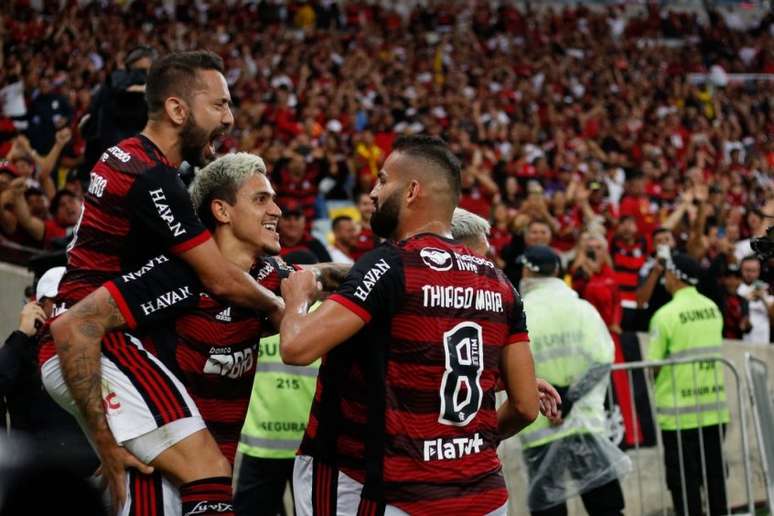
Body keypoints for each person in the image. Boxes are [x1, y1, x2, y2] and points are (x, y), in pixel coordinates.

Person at [42, 50, 284, 514]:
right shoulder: (151, 177)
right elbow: (218, 277)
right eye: (219, 105)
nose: (230, 118)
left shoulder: (129, 158)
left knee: (157, 491)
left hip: (93, 333)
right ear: (177, 110)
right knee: (209, 472)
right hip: (92, 339)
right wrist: (275, 306)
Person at [47, 153, 349, 515]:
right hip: (154, 475)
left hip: (211, 481)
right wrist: (107, 441)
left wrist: (383, 270)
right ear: (222, 211)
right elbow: (76, 328)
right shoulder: (177, 274)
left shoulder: (269, 276)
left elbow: (324, 274)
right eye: (261, 199)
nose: (277, 210)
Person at [280, 135, 541, 514]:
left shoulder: (390, 264)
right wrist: (470, 444)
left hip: (403, 494)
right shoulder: (502, 284)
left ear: (412, 191)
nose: (372, 192)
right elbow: (526, 407)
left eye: (383, 180)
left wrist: (298, 297)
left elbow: (297, 347)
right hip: (484, 496)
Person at [517, 245, 628, 516]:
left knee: (549, 510)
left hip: (541, 426)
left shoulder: (519, 312)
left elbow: (512, 368)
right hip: (584, 423)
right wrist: (568, 398)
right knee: (606, 508)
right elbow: (602, 360)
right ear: (557, 271)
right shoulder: (582, 308)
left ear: (527, 271)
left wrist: (554, 401)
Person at [647, 253, 729, 516]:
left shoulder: (665, 315)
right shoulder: (713, 308)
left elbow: (653, 365)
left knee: (684, 484)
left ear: (675, 275)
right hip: (714, 411)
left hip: (678, 415)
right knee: (715, 479)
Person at [0, 267, 96, 477]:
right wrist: (21, 336)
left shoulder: (97, 345)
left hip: (90, 475)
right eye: (60, 301)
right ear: (39, 306)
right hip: (34, 478)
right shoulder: (22, 351)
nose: (69, 308)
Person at [737, 255, 774, 344]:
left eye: (753, 271)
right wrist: (747, 298)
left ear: (759, 271)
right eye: (747, 270)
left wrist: (763, 298)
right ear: (741, 270)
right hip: (742, 339)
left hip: (763, 339)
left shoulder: (767, 289)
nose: (750, 274)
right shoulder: (736, 288)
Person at [351, 192, 377, 260]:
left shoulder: (384, 230)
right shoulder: (351, 229)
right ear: (357, 206)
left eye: (372, 204)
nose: (369, 208)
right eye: (365, 204)